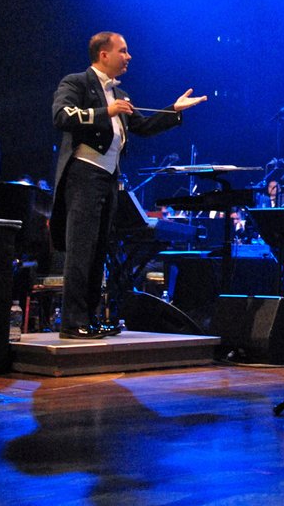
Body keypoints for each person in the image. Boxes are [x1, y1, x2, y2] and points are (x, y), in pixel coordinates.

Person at [51, 32, 206, 340]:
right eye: (123, 51)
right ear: (103, 54)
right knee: (81, 249)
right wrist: (106, 112)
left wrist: (174, 110)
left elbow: (142, 127)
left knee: (99, 251)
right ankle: (72, 322)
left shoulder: (119, 93)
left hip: (108, 179)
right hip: (84, 175)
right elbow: (61, 116)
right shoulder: (77, 82)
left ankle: (89, 318)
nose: (129, 56)